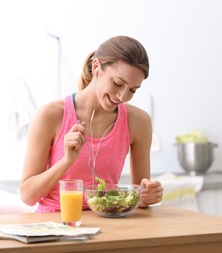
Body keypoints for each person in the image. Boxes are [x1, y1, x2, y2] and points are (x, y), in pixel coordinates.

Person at [20, 35, 163, 212]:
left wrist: (147, 195)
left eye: (133, 90)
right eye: (118, 83)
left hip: (108, 224)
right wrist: (66, 161)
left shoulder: (139, 121)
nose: (123, 96)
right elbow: (27, 196)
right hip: (56, 226)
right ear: (97, 67)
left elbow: (140, 194)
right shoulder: (50, 115)